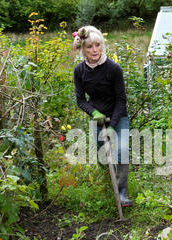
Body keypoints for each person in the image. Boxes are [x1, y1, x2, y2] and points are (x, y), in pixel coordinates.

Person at [72, 26, 133, 207]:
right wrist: (94, 113)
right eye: (90, 46)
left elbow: (122, 100)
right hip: (97, 117)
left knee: (122, 151)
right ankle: (111, 184)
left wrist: (113, 126)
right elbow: (80, 100)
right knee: (102, 156)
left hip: (118, 115)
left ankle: (122, 192)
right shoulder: (79, 71)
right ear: (83, 49)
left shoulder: (113, 68)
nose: (95, 50)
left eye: (98, 45)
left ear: (102, 46)